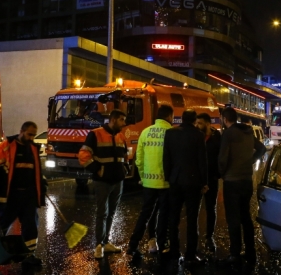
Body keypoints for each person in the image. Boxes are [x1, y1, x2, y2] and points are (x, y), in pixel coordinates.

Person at [0, 121, 47, 266]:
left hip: (28, 196)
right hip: (10, 197)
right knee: (2, 225)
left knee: (30, 226)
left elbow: (36, 172)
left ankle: (29, 255)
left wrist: (42, 184)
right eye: (29, 134)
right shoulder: (6, 147)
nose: (31, 137)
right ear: (21, 131)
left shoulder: (33, 148)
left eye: (33, 135)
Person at [218, 107, 266, 266]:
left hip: (232, 181)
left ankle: (235, 253)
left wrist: (221, 173)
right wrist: (250, 161)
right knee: (245, 216)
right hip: (246, 180)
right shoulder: (248, 132)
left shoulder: (228, 134)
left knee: (233, 218)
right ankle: (250, 250)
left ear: (225, 120)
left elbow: (223, 158)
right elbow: (262, 148)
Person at [78, 109, 128, 259]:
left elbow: (124, 155)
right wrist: (97, 170)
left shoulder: (120, 136)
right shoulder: (96, 134)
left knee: (111, 213)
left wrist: (125, 169)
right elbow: (83, 155)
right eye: (121, 120)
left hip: (117, 181)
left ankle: (105, 243)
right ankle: (98, 245)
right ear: (113, 120)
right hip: (102, 182)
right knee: (102, 213)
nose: (124, 124)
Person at [126, 105, 174, 257]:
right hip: (165, 183)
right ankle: (162, 245)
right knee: (164, 214)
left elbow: (138, 159)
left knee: (145, 214)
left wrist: (142, 177)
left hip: (148, 183)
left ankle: (133, 245)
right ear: (169, 117)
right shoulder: (171, 133)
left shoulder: (145, 132)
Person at [163, 109, 209, 266]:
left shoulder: (170, 133)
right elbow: (202, 161)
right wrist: (204, 182)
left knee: (173, 217)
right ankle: (190, 253)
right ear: (195, 120)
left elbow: (166, 158)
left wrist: (169, 177)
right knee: (192, 218)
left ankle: (174, 250)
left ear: (181, 119)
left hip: (175, 180)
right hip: (193, 182)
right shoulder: (198, 135)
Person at [196, 112, 221, 253]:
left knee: (211, 208)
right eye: (196, 123)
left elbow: (221, 156)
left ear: (207, 123)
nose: (197, 125)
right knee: (195, 209)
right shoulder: (195, 136)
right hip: (198, 180)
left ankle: (209, 236)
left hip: (211, 178)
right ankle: (195, 237)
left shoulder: (217, 137)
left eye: (200, 123)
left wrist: (218, 173)